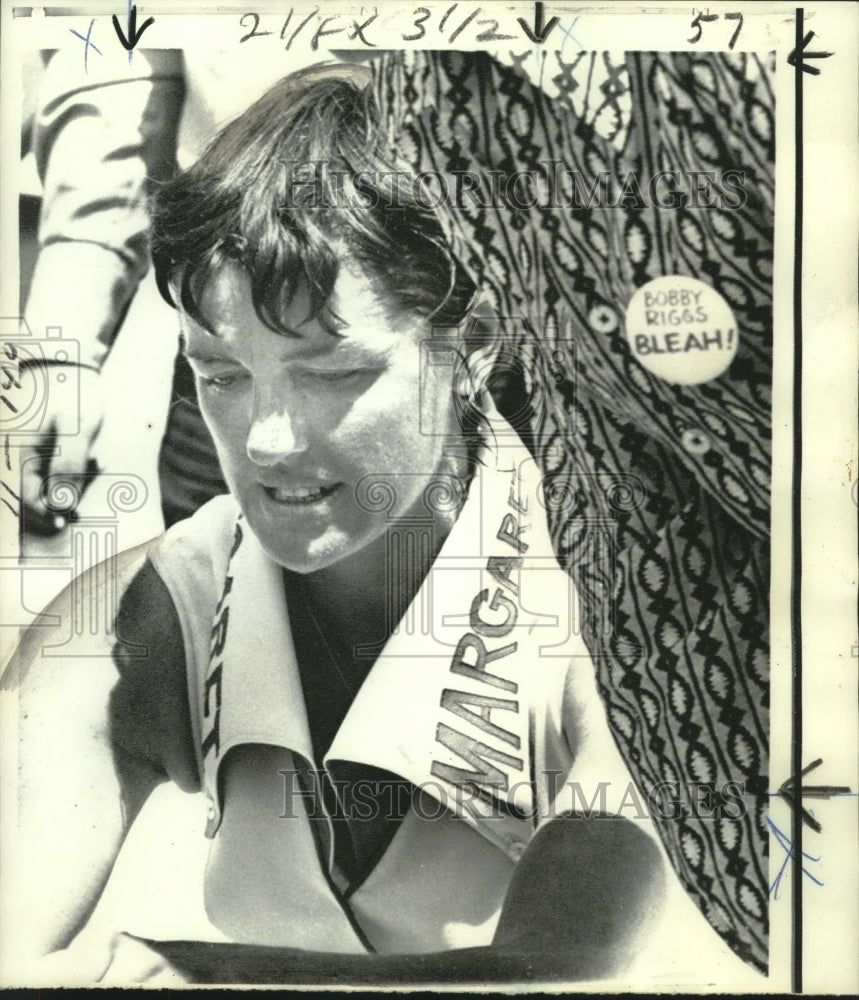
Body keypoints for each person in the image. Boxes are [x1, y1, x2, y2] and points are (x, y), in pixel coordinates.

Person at [8, 48, 773, 984]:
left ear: (477, 344)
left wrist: (216, 976)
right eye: (221, 375)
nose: (268, 440)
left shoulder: (624, 610)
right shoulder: (137, 619)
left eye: (336, 374)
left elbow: (571, 972)